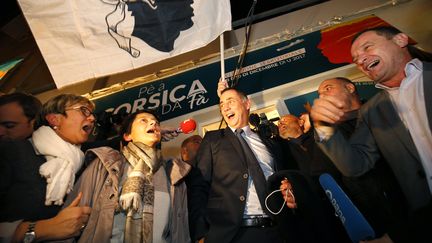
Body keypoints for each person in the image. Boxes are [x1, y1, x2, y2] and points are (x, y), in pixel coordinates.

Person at [310, 26, 432, 243]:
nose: (361, 60)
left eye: (367, 47)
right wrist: (323, 126)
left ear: (401, 40)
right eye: (356, 59)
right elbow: (355, 165)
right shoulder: (372, 111)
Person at [61, 109, 191, 242]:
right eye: (144, 120)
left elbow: (181, 230)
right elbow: (68, 222)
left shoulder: (174, 173)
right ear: (127, 136)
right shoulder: (106, 164)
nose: (153, 122)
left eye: (156, 123)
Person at [188, 87, 292, 243]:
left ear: (247, 104)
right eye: (222, 104)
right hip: (233, 234)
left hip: (279, 230)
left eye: (230, 101)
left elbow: (285, 175)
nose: (225, 107)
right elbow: (198, 186)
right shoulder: (212, 140)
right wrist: (200, 233)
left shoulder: (269, 141)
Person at [0, 94, 94, 242]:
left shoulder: (84, 159)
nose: (92, 118)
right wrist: (44, 229)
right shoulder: (13, 151)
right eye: (84, 111)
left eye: (91, 113)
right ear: (54, 119)